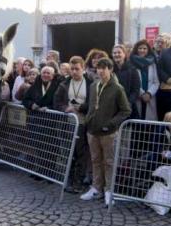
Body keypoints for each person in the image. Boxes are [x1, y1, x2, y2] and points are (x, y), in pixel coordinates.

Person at [79, 58, 131, 205]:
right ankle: (96, 188)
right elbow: (91, 105)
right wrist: (88, 118)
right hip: (92, 130)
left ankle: (109, 190)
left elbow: (126, 110)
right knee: (95, 161)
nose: (100, 71)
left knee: (108, 162)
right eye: (98, 68)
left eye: (104, 68)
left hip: (108, 132)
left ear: (110, 70)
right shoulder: (94, 85)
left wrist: (111, 124)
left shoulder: (117, 88)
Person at [54, 56, 92, 193]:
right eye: (72, 69)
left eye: (77, 69)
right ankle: (68, 180)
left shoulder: (90, 83)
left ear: (83, 69)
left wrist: (80, 107)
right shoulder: (64, 83)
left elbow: (94, 103)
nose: (74, 72)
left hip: (83, 123)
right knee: (69, 152)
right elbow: (57, 102)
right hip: (68, 123)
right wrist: (65, 108)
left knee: (81, 153)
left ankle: (78, 181)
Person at [130, 39, 160, 121]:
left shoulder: (153, 63)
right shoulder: (131, 62)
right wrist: (142, 94)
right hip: (137, 96)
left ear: (148, 50)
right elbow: (132, 82)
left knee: (149, 125)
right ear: (136, 49)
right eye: (140, 48)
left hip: (150, 97)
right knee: (137, 124)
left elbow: (156, 82)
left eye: (144, 48)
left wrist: (149, 94)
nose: (142, 50)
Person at [112, 44, 141, 119]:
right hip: (112, 107)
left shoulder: (132, 70)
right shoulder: (109, 70)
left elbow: (136, 89)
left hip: (128, 107)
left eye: (119, 52)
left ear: (124, 54)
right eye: (114, 53)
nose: (116, 54)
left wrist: (128, 103)